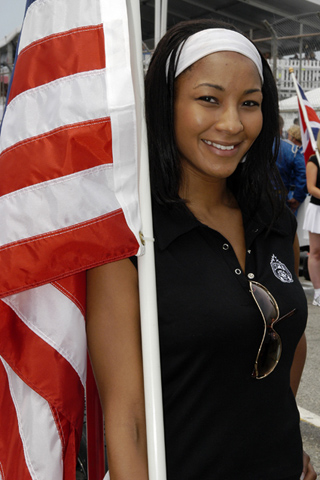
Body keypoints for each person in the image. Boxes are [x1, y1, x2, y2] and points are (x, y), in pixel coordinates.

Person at [86, 19, 316, 480]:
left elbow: (291, 346)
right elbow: (126, 419)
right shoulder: (131, 239)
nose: (231, 123)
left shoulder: (273, 222)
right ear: (165, 104)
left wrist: (281, 446)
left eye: (249, 104)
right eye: (208, 99)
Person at [303, 131, 320, 307]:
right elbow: (311, 187)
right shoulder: (314, 160)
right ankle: (318, 292)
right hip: (318, 210)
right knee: (316, 251)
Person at [276, 124, 307, 215]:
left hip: (292, 191)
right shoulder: (301, 151)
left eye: (288, 135)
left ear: (293, 138)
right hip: (292, 191)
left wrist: (297, 196)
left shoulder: (293, 151)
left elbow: (302, 173)